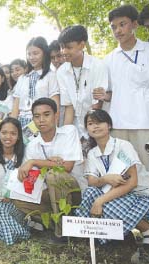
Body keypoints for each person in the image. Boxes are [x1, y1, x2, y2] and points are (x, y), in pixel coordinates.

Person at [75, 109, 149, 245]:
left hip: (140, 194)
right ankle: (99, 235)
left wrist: (100, 201)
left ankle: (144, 230)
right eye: (91, 123)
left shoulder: (123, 145)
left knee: (106, 204)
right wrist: (105, 179)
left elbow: (132, 182)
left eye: (100, 122)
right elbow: (92, 182)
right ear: (87, 129)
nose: (95, 126)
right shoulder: (92, 153)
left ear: (109, 125)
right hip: (117, 194)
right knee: (90, 192)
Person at [14, 98, 83, 241]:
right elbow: (33, 178)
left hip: (75, 193)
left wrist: (35, 162)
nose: (41, 120)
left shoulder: (69, 132)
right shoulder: (32, 145)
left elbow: (67, 167)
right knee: (16, 198)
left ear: (56, 116)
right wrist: (44, 164)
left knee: (55, 175)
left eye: (46, 114)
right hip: (50, 194)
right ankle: (61, 225)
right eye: (37, 116)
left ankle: (62, 233)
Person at [96, 5, 149, 171]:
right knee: (124, 170)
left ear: (134, 24)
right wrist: (104, 95)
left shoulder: (147, 50)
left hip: (144, 122)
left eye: (122, 24)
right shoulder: (108, 60)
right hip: (119, 123)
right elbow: (111, 93)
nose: (118, 30)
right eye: (113, 27)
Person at [0, 117, 30, 245]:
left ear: (19, 136)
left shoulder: (26, 157)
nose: (8, 137)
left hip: (18, 204)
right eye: (4, 133)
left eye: (13, 133)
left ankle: (8, 233)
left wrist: (13, 199)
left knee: (0, 215)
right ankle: (18, 233)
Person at [57, 25, 108, 143]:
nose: (64, 52)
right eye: (62, 47)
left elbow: (97, 105)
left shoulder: (98, 66)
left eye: (69, 47)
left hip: (97, 126)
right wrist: (66, 134)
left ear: (82, 45)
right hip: (76, 128)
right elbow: (69, 107)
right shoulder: (62, 71)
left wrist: (91, 133)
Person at [10, 37, 60, 128]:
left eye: (35, 53)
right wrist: (12, 127)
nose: (31, 57)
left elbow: (55, 105)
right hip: (21, 125)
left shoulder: (51, 76)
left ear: (44, 54)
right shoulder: (22, 78)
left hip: (43, 124)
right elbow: (15, 109)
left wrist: (53, 130)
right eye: (29, 54)